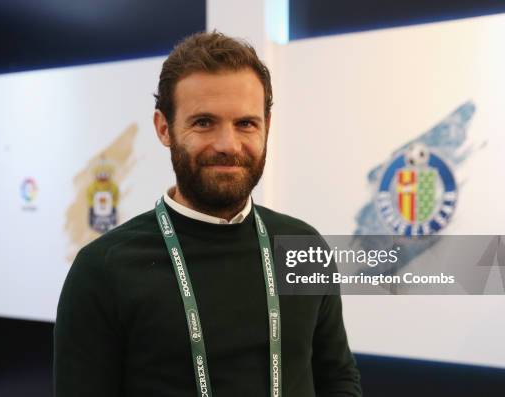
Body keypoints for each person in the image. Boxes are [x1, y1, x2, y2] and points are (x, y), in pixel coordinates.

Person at [54, 31, 362, 397]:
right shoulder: (103, 269)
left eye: (245, 123)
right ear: (164, 128)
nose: (227, 145)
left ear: (267, 126)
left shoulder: (303, 247)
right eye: (203, 122)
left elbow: (338, 379)